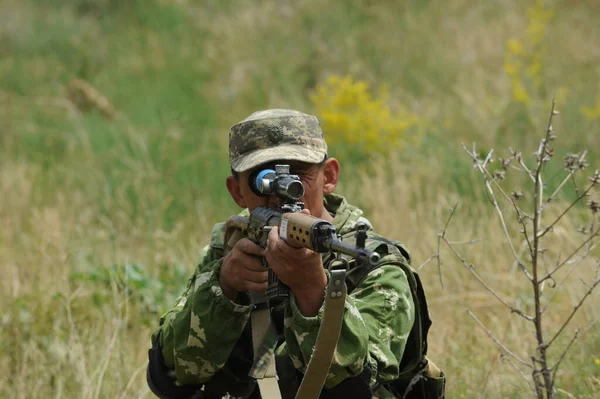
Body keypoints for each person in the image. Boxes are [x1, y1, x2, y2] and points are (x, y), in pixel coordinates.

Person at [147, 109, 443, 398]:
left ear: (329, 176)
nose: (278, 195)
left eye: (298, 177)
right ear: (236, 191)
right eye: (261, 180)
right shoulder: (230, 247)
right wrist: (224, 289)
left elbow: (357, 387)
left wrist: (313, 290)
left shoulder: (373, 266)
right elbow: (170, 378)